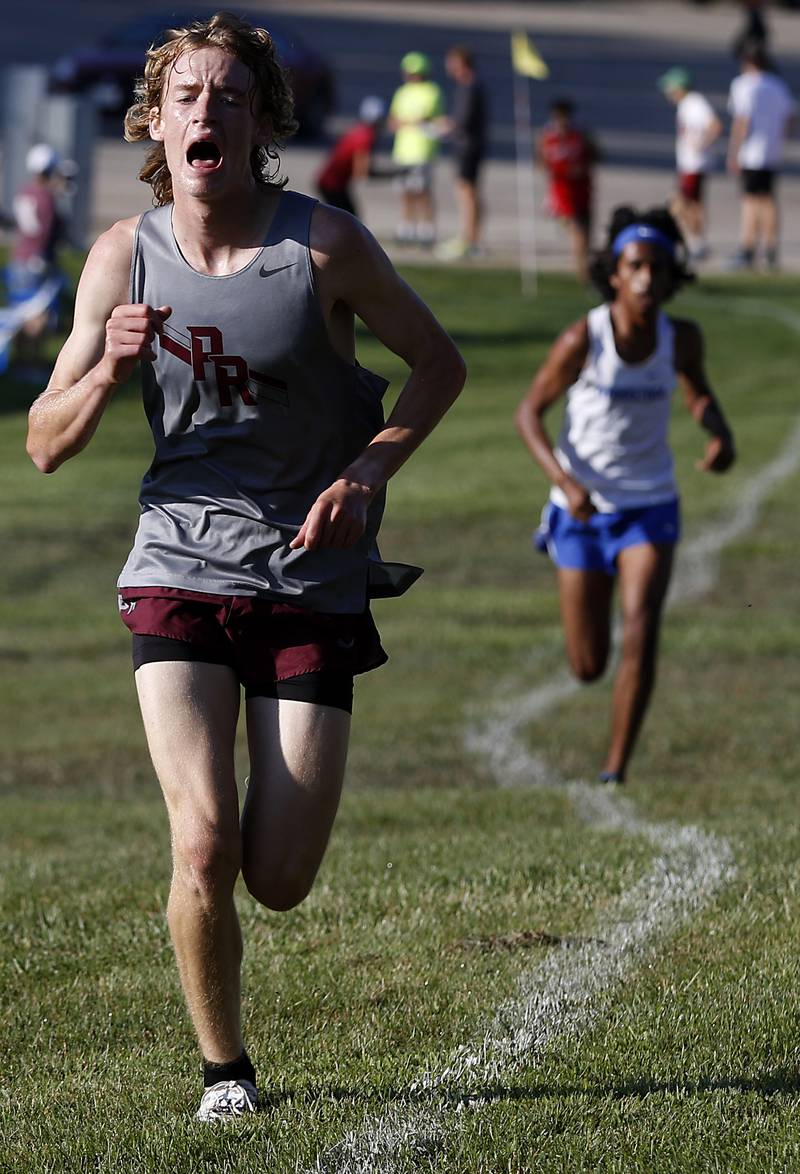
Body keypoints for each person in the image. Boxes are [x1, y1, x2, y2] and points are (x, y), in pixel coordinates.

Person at [26, 11, 465, 1122]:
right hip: (176, 559)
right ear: (155, 123)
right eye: (186, 97)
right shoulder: (123, 258)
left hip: (308, 575)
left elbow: (436, 365)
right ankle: (226, 1073)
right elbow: (43, 439)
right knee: (203, 837)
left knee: (277, 875)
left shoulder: (321, 244)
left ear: (262, 120)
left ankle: (235, 1008)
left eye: (229, 95)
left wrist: (368, 471)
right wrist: (99, 375)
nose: (205, 112)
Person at [515, 206, 735, 785]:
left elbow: (697, 393)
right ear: (614, 273)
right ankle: (609, 741)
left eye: (658, 268)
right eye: (635, 266)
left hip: (650, 506)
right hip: (580, 511)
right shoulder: (583, 338)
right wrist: (566, 483)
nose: (646, 278)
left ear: (671, 278)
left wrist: (720, 430)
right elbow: (528, 414)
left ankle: (616, 770)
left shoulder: (681, 338)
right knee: (588, 666)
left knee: (641, 625)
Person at [727, 41, 796, 270]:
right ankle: (770, 249)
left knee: (750, 201)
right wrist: (780, 140)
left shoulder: (744, 85)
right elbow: (790, 117)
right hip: (771, 151)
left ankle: (747, 248)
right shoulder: (777, 85)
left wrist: (734, 150)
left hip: (752, 152)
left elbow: (742, 120)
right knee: (768, 200)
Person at [7, 143, 68, 368]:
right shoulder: (46, 196)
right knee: (38, 315)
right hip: (37, 261)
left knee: (19, 313)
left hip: (18, 259)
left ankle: (19, 359)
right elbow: (48, 230)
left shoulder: (24, 191)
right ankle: (31, 362)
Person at [658, 67, 722, 262]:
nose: (668, 94)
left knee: (679, 203)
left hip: (694, 164)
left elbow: (715, 125)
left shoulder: (695, 103)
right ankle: (697, 242)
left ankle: (695, 242)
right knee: (693, 204)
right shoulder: (687, 104)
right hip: (689, 164)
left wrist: (701, 144)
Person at [537, 98, 599, 283]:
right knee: (578, 234)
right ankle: (585, 276)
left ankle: (583, 271)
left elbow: (595, 155)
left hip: (582, 191)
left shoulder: (580, 135)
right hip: (561, 193)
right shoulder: (548, 136)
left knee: (586, 235)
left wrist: (582, 167)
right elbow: (541, 161)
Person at [388, 51, 445, 246]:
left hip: (423, 150)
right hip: (403, 149)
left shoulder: (432, 91)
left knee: (422, 190)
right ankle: (407, 227)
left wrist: (410, 122)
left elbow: (430, 118)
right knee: (405, 191)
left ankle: (426, 230)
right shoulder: (402, 92)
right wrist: (410, 122)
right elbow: (394, 120)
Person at [437, 44, 488, 260]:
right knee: (470, 193)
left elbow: (463, 121)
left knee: (466, 193)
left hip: (467, 147)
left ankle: (469, 238)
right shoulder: (469, 86)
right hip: (470, 146)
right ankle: (471, 237)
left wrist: (445, 125)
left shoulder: (470, 86)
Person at [316, 95, 386, 219]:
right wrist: (392, 174)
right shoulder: (366, 137)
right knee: (351, 220)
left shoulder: (359, 130)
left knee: (347, 219)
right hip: (332, 185)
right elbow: (362, 173)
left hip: (332, 183)